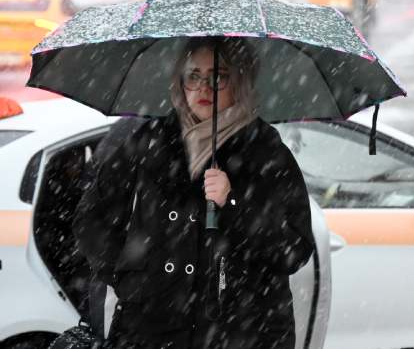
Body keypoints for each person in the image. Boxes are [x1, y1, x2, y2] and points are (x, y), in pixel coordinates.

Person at [73, 37, 314, 349]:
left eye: (217, 77)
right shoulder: (147, 142)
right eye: (193, 76)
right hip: (152, 328)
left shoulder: (266, 152)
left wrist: (233, 204)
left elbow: (294, 249)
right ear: (179, 81)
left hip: (243, 330)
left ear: (241, 81)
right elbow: (92, 218)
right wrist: (130, 278)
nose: (203, 88)